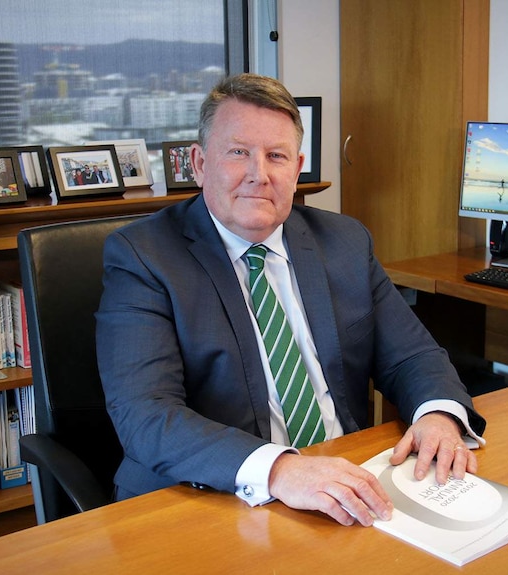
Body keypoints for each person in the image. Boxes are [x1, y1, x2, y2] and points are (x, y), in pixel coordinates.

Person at [96, 73, 486, 527]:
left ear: (297, 168)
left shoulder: (343, 241)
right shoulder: (143, 256)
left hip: (343, 485)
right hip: (207, 498)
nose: (258, 175)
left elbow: (412, 355)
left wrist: (438, 414)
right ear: (200, 163)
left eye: (276, 156)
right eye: (238, 152)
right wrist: (280, 469)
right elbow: (146, 416)